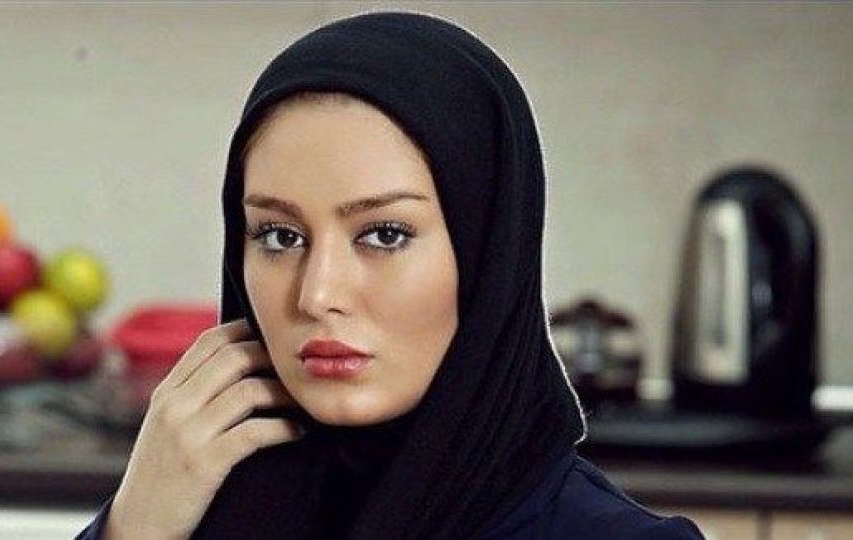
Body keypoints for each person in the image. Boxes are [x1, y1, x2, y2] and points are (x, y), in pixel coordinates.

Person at [77, 10, 704, 540]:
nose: (317, 294)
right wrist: (133, 525)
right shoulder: (186, 513)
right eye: (280, 236)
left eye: (384, 234)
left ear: (486, 253)